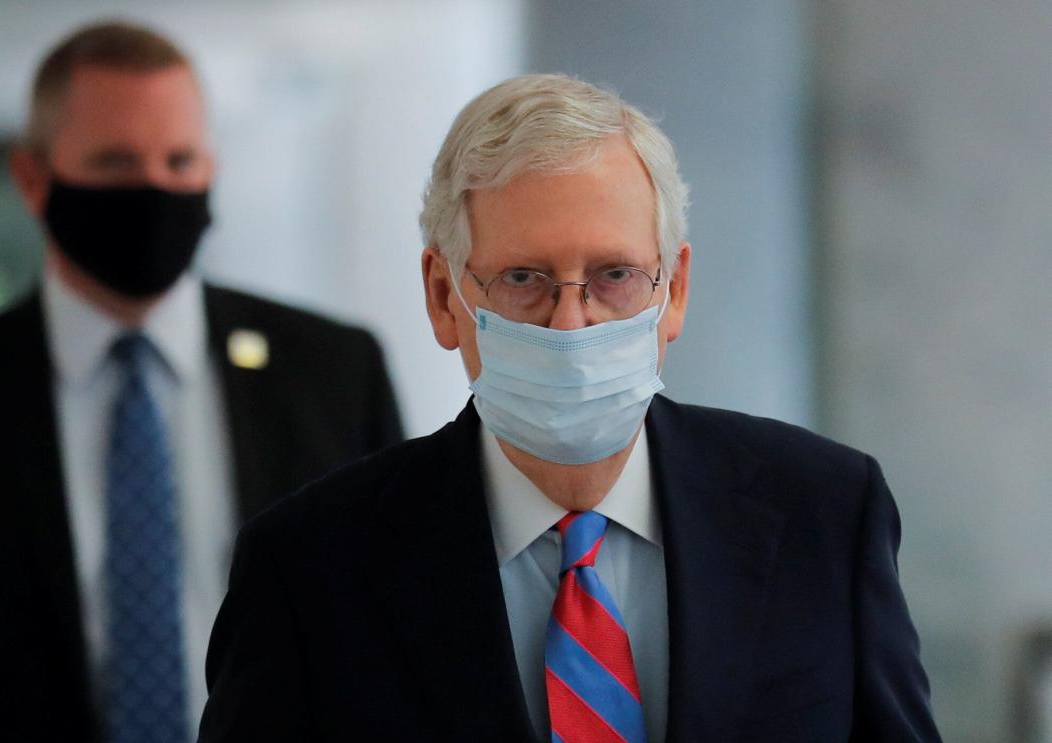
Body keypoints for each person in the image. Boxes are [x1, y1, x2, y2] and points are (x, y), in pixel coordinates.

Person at [197, 74, 941, 742]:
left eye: (615, 275)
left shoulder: (825, 515)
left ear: (673, 290)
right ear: (443, 297)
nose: (571, 324)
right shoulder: (308, 569)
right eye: (524, 277)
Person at [0, 21, 403, 743]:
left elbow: (389, 640)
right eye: (116, 163)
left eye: (180, 160)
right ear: (33, 179)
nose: (153, 188)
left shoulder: (335, 373)